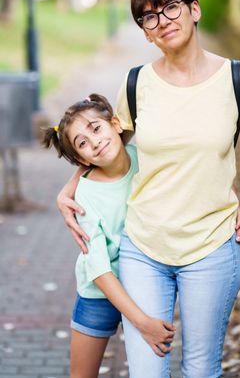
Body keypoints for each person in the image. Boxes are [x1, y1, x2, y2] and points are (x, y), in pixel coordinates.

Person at [57, 0, 240, 378]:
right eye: (148, 17)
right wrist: (70, 188)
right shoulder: (136, 83)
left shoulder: (238, 78)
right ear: (145, 33)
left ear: (194, 10)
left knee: (200, 370)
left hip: (212, 247)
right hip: (143, 247)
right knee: (147, 372)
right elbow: (109, 151)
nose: (162, 20)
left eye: (171, 7)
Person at [42, 93, 176, 378]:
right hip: (99, 293)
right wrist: (143, 323)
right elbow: (100, 270)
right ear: (81, 158)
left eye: (96, 128)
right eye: (82, 144)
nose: (95, 142)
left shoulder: (146, 159)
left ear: (116, 124)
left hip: (145, 281)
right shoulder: (85, 196)